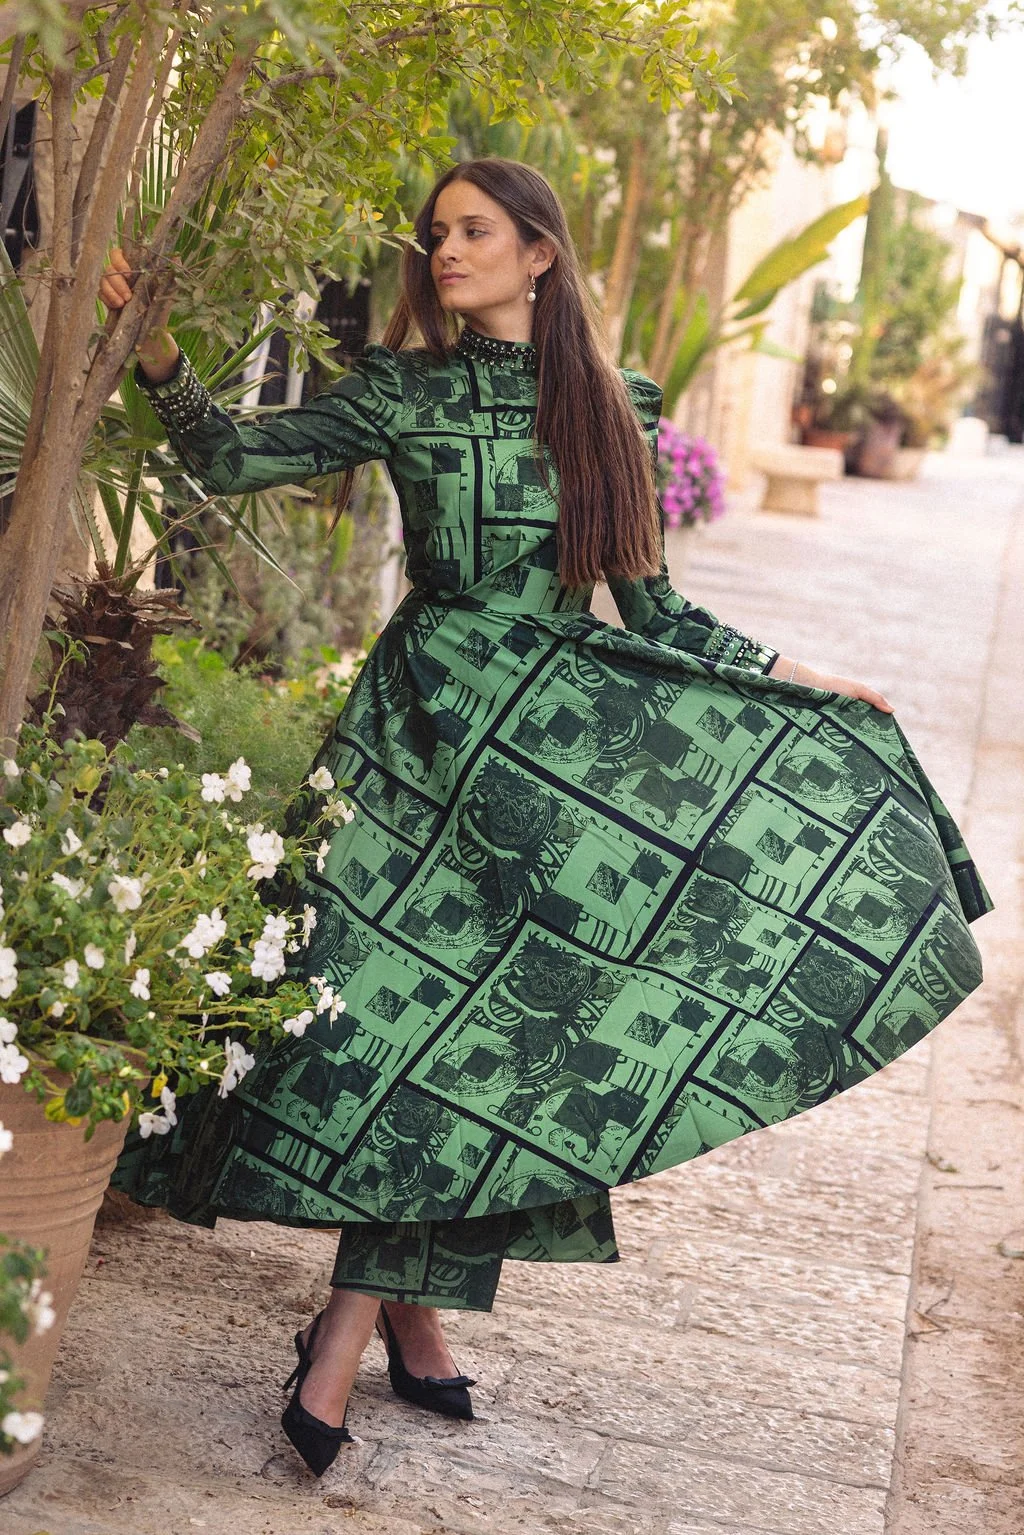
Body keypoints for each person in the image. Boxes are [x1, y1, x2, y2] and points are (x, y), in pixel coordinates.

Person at [101, 156, 992, 1479]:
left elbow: (661, 614)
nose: (444, 250)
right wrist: (163, 359)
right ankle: (394, 1317)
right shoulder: (406, 388)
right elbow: (234, 458)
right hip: (409, 747)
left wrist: (808, 683)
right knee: (384, 1030)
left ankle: (351, 1332)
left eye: (473, 231)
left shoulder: (609, 405)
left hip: (552, 769)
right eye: (437, 233)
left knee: (497, 1047)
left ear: (541, 254)